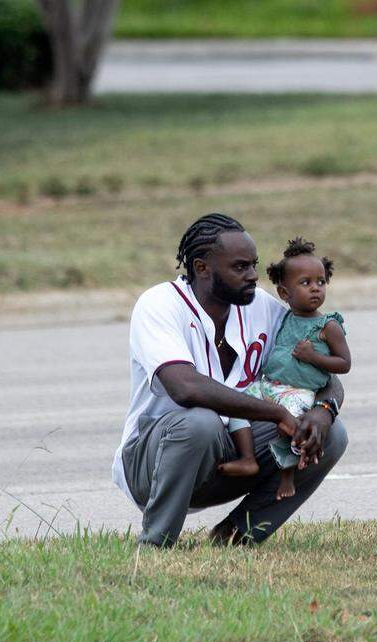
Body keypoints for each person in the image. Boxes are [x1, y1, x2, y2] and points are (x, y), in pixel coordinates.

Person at [111, 213, 347, 547]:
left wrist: (324, 409)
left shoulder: (261, 308)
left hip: (238, 456)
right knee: (200, 423)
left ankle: (236, 537)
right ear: (202, 268)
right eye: (239, 267)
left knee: (331, 433)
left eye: (254, 264)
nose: (252, 275)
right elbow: (184, 387)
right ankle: (155, 544)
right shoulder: (159, 304)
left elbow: (321, 374)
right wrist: (279, 414)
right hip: (154, 462)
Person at [220, 237, 351, 500]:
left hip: (297, 392)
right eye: (305, 283)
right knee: (236, 404)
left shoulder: (328, 326)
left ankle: (287, 476)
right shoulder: (283, 317)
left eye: (321, 282)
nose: (316, 289)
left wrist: (312, 356)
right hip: (271, 385)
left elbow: (344, 364)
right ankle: (247, 457)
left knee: (289, 427)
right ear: (284, 293)